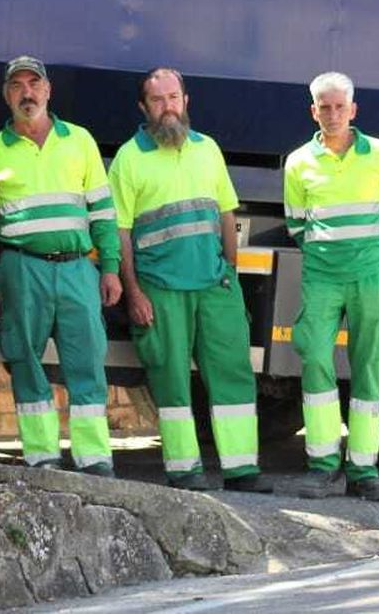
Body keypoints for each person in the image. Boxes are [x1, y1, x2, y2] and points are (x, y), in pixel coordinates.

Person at [107, 67, 271, 493]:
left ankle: (241, 470)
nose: (168, 108)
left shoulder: (207, 148)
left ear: (186, 101)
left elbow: (226, 212)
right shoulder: (129, 158)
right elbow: (119, 231)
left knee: (233, 372)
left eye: (173, 98)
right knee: (171, 379)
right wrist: (134, 293)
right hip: (160, 290)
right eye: (158, 100)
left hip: (213, 285)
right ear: (144, 107)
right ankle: (184, 470)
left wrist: (229, 275)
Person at [0, 55, 121, 477]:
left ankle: (94, 457)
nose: (27, 92)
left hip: (78, 269)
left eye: (34, 84)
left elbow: (103, 212)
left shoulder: (79, 141)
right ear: (7, 95)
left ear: (48, 90)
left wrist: (109, 267)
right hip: (21, 270)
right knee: (24, 360)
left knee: (88, 362)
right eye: (18, 86)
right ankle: (42, 456)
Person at [283, 71, 379, 502]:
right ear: (312, 111)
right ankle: (323, 467)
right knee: (315, 354)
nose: (332, 114)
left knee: (370, 362)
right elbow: (297, 224)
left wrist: (365, 253)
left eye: (340, 107)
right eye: (324, 107)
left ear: (353, 110)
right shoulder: (298, 162)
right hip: (322, 275)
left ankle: (363, 470)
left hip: (369, 275)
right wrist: (331, 254)